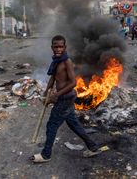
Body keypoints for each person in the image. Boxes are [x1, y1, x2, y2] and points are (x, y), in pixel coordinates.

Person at [31, 35, 101, 163]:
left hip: (65, 97)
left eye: (60, 47)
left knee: (51, 125)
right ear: (52, 47)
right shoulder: (56, 61)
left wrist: (56, 95)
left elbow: (73, 83)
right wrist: (46, 92)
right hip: (65, 97)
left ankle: (46, 155)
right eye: (55, 47)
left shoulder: (66, 61)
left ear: (65, 47)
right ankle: (93, 147)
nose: (58, 49)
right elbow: (53, 78)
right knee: (73, 123)